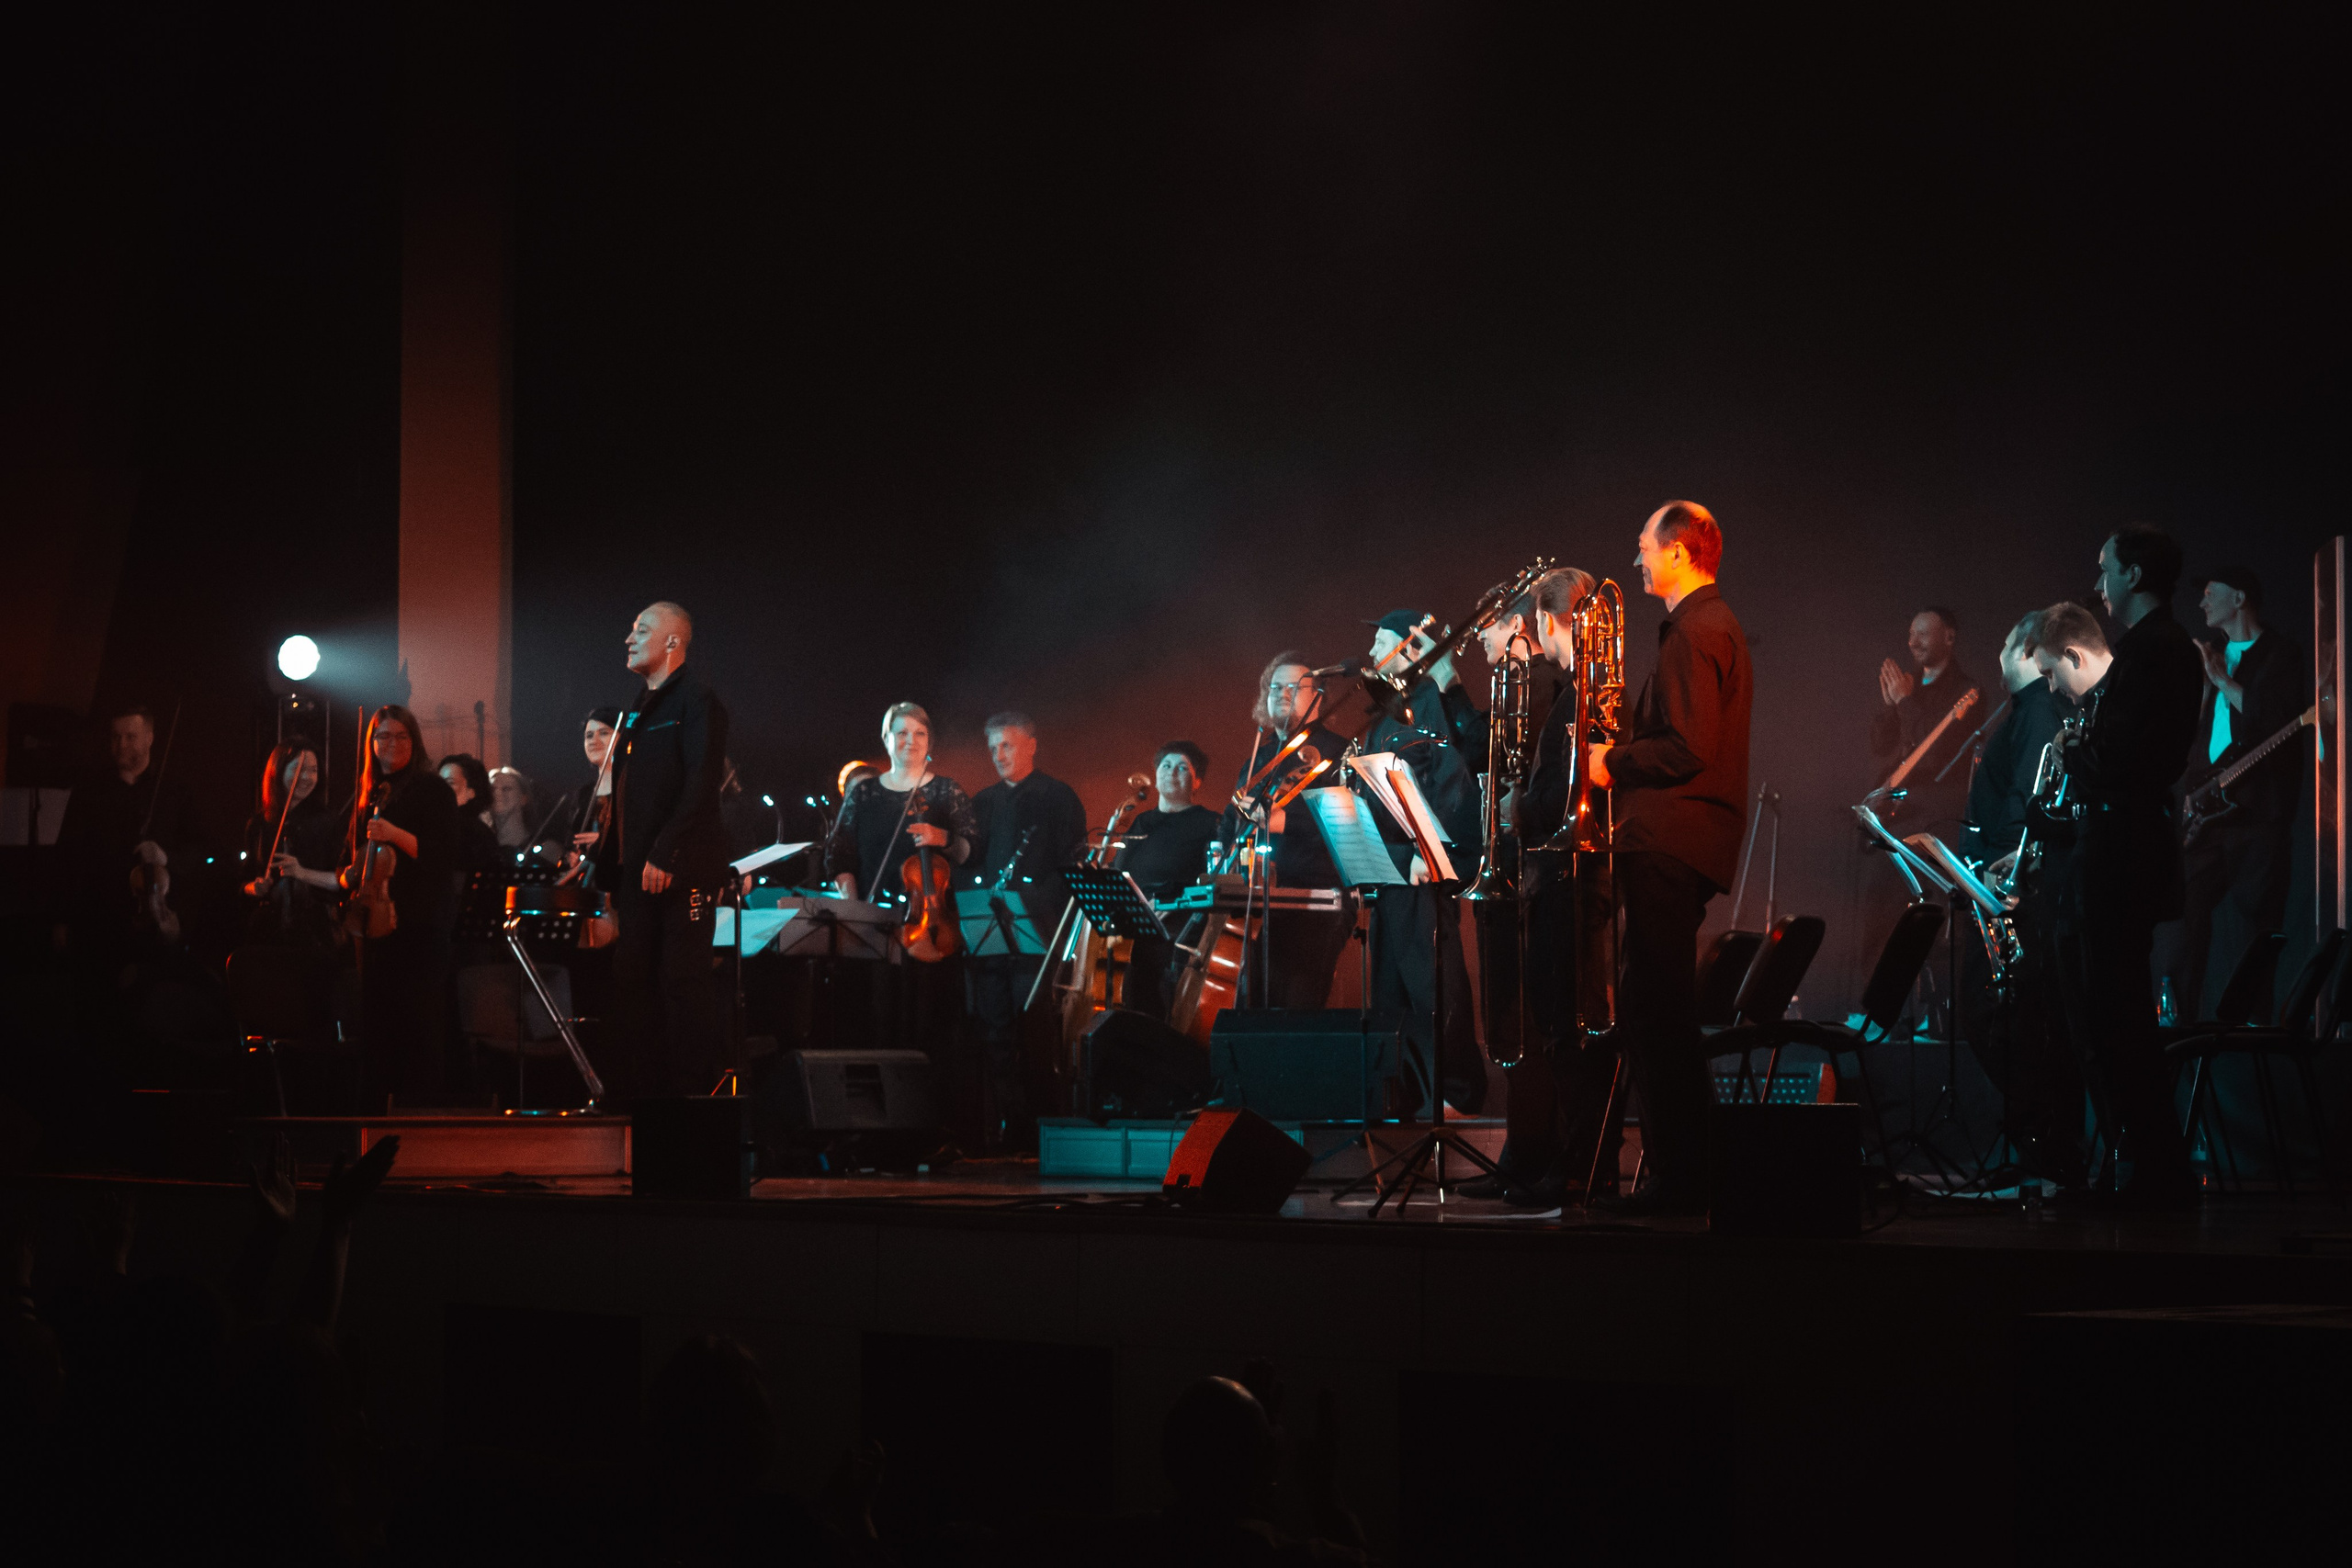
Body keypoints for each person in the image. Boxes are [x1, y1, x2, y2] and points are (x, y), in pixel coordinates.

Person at [1587, 502, 1751, 1216]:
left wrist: (1608, 761)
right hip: (1684, 841)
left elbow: (1687, 747)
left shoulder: (1696, 630)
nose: (1637, 561)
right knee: (1658, 1011)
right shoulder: (1708, 627)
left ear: (1679, 551)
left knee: (1656, 1014)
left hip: (1670, 841)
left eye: (1645, 548)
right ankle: (1684, 1176)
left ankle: (1677, 1182)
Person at [2034, 524, 2204, 1207]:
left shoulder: (2156, 650)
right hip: (2119, 854)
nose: (2097, 585)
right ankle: (2141, 1168)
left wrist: (2078, 747)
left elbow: (2122, 760)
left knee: (2119, 1018)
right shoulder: (2153, 649)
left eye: (2105, 570)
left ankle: (2152, 1173)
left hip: (2121, 859)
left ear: (2134, 575)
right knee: (2114, 1016)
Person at [1463, 567, 1619, 1205]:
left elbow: (1563, 794)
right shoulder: (1570, 695)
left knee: (1566, 1032)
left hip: (1572, 880)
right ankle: (1561, 1163)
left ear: (1548, 621)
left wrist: (1515, 810)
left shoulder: (1578, 694)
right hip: (1554, 878)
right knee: (1554, 1028)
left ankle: (1579, 1167)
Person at [593, 603, 733, 1099]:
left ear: (673, 643)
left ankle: (692, 1108)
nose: (629, 639)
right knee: (633, 981)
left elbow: (700, 782)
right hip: (638, 875)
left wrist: (665, 852)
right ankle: (642, 1108)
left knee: (682, 982)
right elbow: (630, 794)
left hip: (682, 869)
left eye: (642, 630)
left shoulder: (697, 701)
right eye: (631, 629)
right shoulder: (637, 707)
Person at [1959, 612, 2079, 1185]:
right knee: (2003, 1014)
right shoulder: (2026, 712)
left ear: (2031, 653)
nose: (2000, 652)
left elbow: (2027, 800)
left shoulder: (2036, 712)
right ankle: (2038, 1145)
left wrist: (2002, 879)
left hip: (2010, 893)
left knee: (2000, 1013)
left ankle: (2041, 1143)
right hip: (2005, 883)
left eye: (2008, 642)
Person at [825, 703, 978, 1136]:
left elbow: (973, 849)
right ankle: (879, 1127)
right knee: (876, 1020)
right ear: (886, 739)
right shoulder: (866, 793)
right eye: (901, 733)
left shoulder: (946, 791)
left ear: (929, 742)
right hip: (877, 924)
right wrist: (855, 908)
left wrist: (942, 837)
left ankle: (933, 1127)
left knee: (933, 1023)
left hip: (932, 926)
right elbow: (839, 853)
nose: (910, 741)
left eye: (919, 734)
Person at [1359, 611, 1486, 1116]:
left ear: (1411, 649)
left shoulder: (1430, 703)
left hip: (1420, 866)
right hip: (1389, 867)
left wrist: (1427, 850)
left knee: (1431, 981)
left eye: (1381, 643)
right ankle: (1409, 1094)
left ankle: (1458, 1089)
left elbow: (1453, 778)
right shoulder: (1387, 710)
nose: (1370, 654)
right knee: (1392, 986)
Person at [2168, 564, 2307, 1021]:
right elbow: (2199, 739)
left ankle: (2255, 1030)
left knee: (2256, 927)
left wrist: (2224, 681)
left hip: (2257, 817)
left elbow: (2278, 726)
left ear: (2240, 598)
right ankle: (2182, 1019)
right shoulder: (2211, 657)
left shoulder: (2281, 655)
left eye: (2212, 592)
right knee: (2185, 914)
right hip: (2208, 812)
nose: (2203, 602)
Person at [965, 713, 1088, 1148]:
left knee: (1037, 1033)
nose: (999, 755)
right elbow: (971, 863)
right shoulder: (981, 802)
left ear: (1031, 746)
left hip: (1040, 936)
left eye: (1008, 745)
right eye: (994, 747)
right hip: (991, 936)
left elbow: (1072, 867)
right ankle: (1008, 1128)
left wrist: (1030, 903)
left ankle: (1045, 1129)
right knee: (994, 1033)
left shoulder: (1059, 797)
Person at [341, 704, 458, 1105]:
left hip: (419, 928)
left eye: (401, 736)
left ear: (414, 740)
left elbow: (442, 858)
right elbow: (352, 868)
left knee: (420, 1033)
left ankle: (421, 1130)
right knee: (377, 1032)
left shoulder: (432, 789)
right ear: (371, 743)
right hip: (376, 928)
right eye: (383, 736)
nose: (391, 744)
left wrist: (393, 833)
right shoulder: (371, 794)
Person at [1219, 654, 1351, 1010]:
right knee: (1253, 1001)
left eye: (1295, 687)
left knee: (1298, 1003)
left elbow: (1350, 821)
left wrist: (1286, 823)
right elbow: (1232, 820)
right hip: (1260, 901)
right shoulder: (1257, 760)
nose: (1282, 693)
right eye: (1275, 687)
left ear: (1318, 698)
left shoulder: (1338, 752)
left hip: (1316, 897)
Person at [52, 704, 203, 961]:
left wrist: (166, 858)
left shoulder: (175, 792)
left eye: (131, 737)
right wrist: (60, 919)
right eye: (116, 737)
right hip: (98, 921)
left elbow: (202, 852)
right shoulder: (89, 791)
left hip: (155, 923)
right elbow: (67, 855)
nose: (121, 745)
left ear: (149, 738)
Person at [1120, 742, 1220, 1019]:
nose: (1171, 772)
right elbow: (1122, 872)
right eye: (1165, 765)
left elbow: (1213, 882)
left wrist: (1173, 901)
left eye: (1182, 767)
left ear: (1197, 781)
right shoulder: (1141, 821)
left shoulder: (1211, 823)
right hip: (1135, 936)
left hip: (1176, 936)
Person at [1870, 607, 1981, 836]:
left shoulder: (1967, 691)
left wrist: (1903, 700)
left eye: (1923, 635)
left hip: (1932, 817)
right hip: (1894, 810)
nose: (1913, 642)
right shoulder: (1910, 686)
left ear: (1949, 637)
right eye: (1911, 634)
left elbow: (1935, 750)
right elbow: (1880, 746)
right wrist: (1890, 706)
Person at [239, 742, 344, 948]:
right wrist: (254, 888)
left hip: (318, 935)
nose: (306, 777)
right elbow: (244, 880)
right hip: (268, 933)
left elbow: (342, 879)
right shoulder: (259, 824)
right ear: (278, 771)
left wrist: (300, 872)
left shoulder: (330, 821)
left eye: (313, 770)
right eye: (298, 769)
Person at [436, 752, 505, 875]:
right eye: (438, 782)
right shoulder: (438, 825)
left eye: (450, 783)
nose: (440, 788)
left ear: (471, 792)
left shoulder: (472, 833)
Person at [488, 763, 536, 852]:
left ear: (523, 798)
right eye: (492, 789)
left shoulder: (543, 847)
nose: (497, 794)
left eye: (506, 789)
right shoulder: (482, 846)